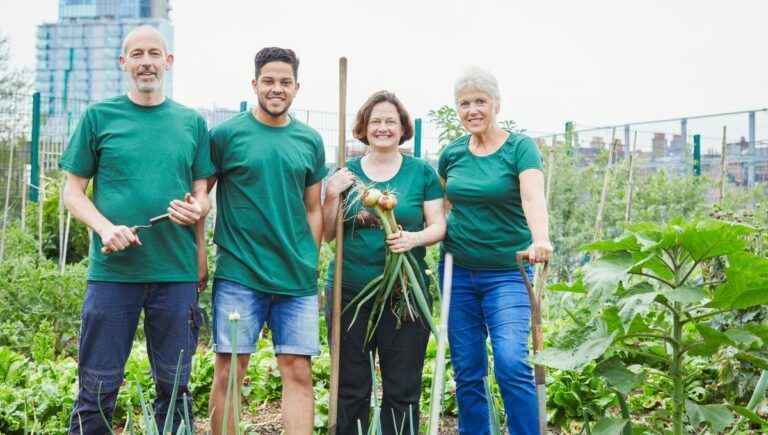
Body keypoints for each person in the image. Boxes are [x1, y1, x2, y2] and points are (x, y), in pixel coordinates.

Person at [60, 25, 213, 433]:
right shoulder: (99, 117)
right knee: (97, 386)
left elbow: (203, 194)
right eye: (137, 54)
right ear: (123, 63)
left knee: (175, 387)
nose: (146, 62)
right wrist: (106, 228)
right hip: (114, 275)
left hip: (175, 273)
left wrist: (195, 208)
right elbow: (72, 193)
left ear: (169, 61)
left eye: (154, 54)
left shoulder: (191, 123)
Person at [206, 47, 326, 435]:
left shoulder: (309, 140)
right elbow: (200, 195)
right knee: (230, 369)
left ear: (296, 87)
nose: (277, 89)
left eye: (285, 82)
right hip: (240, 272)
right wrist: (198, 256)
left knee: (298, 371)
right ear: (255, 83)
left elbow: (312, 207)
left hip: (296, 277)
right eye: (269, 81)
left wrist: (310, 258)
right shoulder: (226, 136)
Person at [437, 67, 553, 435]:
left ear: (496, 105)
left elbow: (533, 197)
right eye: (464, 103)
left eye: (480, 102)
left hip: (508, 272)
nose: (472, 110)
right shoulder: (452, 153)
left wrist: (541, 239)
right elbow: (440, 206)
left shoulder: (520, 148)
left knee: (511, 361)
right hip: (457, 272)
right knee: (468, 369)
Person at [322, 90, 446, 434]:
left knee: (402, 388)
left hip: (405, 295)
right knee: (350, 387)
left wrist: (413, 239)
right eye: (376, 121)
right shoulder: (345, 175)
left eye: (391, 121)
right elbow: (330, 235)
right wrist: (332, 193)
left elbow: (438, 225)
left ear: (402, 127)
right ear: (364, 126)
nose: (383, 127)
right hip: (349, 293)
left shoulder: (421, 172)